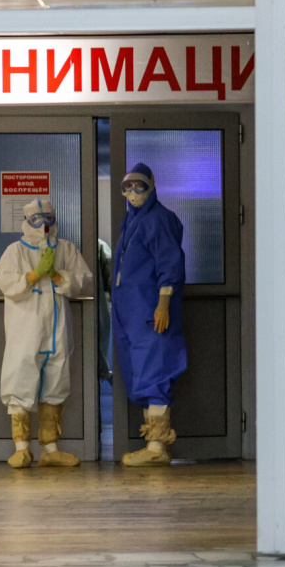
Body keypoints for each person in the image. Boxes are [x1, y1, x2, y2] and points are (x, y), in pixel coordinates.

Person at [0, 197, 94, 468]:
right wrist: (34, 275)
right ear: (26, 221)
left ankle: (50, 449)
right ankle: (21, 448)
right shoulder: (15, 251)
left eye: (48, 218)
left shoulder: (66, 249)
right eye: (36, 220)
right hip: (26, 330)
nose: (43, 225)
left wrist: (59, 276)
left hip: (57, 330)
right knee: (20, 380)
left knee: (57, 382)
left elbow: (83, 279)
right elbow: (5, 282)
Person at [111, 163, 187, 467]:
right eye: (127, 186)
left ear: (152, 185)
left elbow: (170, 263)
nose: (133, 191)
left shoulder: (158, 219)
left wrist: (163, 302)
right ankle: (154, 444)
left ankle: (156, 446)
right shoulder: (131, 221)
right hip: (131, 313)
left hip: (150, 312)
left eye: (139, 185)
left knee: (154, 372)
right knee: (141, 373)